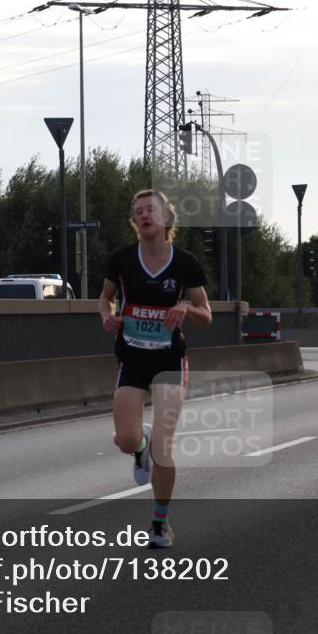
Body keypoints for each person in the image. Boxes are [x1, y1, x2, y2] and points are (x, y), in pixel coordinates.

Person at [98, 189, 212, 549]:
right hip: (131, 357)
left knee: (165, 447)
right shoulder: (121, 260)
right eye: (138, 211)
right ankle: (139, 445)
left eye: (151, 210)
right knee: (127, 440)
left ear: (166, 219)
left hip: (169, 360)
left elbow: (206, 314)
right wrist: (107, 316)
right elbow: (106, 297)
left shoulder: (185, 263)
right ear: (135, 221)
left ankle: (160, 523)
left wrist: (185, 310)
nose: (144, 215)